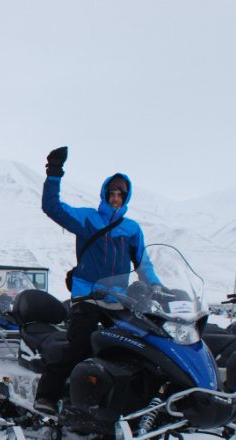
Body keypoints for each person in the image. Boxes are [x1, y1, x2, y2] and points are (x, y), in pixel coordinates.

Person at [34, 146, 158, 415]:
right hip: (88, 298)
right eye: (111, 192)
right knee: (80, 345)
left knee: (134, 348)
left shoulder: (131, 228)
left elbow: (142, 263)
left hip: (119, 302)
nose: (115, 197)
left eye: (120, 194)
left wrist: (156, 286)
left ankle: (121, 403)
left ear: (126, 197)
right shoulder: (88, 218)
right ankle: (46, 395)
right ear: (104, 193)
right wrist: (54, 172)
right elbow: (52, 207)